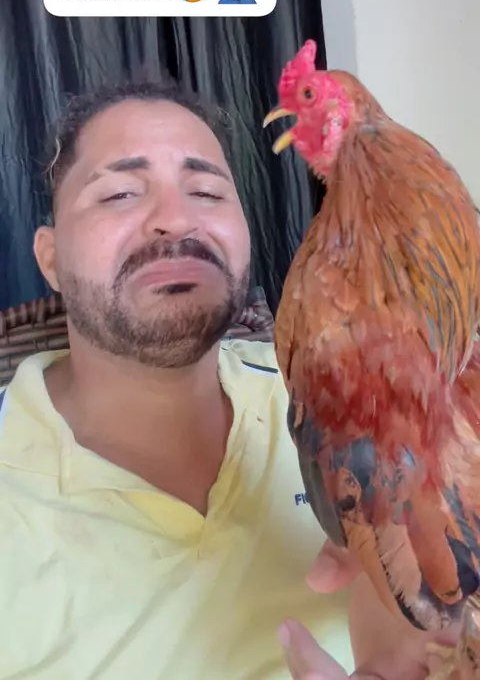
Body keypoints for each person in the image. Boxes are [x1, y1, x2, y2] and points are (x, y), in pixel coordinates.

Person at [0, 76, 444, 679]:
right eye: (121, 193)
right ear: (50, 259)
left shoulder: (359, 412)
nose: (177, 219)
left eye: (207, 191)